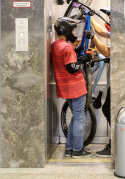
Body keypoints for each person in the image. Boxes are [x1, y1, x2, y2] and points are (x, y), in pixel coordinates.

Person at [51, 17, 93, 158]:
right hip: (75, 87)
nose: (74, 31)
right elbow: (71, 67)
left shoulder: (56, 45)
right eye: (73, 29)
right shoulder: (67, 47)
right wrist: (84, 59)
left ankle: (69, 148)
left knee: (75, 118)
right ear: (66, 30)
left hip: (66, 88)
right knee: (80, 119)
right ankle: (78, 150)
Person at [85, 8, 111, 158]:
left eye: (110, 17)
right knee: (108, 109)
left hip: (120, 81)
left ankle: (113, 145)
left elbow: (107, 52)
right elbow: (102, 32)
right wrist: (91, 18)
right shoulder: (114, 30)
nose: (108, 20)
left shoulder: (121, 33)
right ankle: (114, 143)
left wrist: (93, 38)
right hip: (114, 81)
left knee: (108, 109)